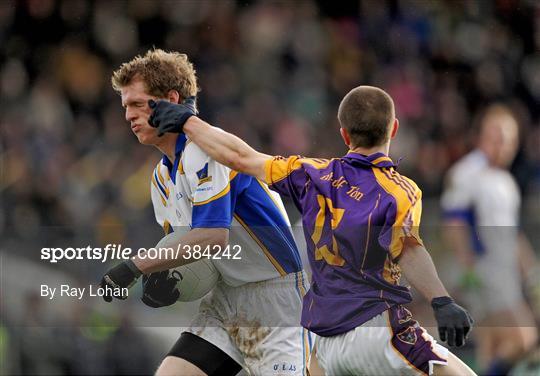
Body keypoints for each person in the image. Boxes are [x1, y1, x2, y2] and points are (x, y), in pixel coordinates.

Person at [147, 85, 476, 375]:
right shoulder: (400, 190)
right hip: (377, 331)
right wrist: (441, 300)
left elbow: (239, 156)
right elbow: (407, 248)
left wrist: (188, 121)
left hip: (324, 350)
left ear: (344, 134)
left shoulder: (311, 174)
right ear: (394, 130)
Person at [100, 49, 311, 376]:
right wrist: (165, 281)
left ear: (170, 99)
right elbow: (192, 252)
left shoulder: (206, 150)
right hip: (224, 303)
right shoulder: (159, 178)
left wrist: (135, 267)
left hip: (276, 302)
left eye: (137, 104)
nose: (128, 115)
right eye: (125, 105)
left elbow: (213, 238)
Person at [441, 104, 537, 375]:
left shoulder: (505, 181)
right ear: (482, 137)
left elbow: (512, 234)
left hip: (502, 274)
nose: (503, 145)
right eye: (497, 136)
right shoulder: (467, 173)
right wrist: (467, 267)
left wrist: (530, 272)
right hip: (483, 272)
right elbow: (454, 222)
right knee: (523, 336)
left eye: (509, 138)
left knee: (492, 345)